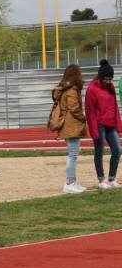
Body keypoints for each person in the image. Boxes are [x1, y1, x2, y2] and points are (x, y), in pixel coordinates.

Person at [84, 59, 122, 189]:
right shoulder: (92, 89)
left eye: (110, 79)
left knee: (117, 150)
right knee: (99, 152)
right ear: (100, 77)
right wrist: (94, 130)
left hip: (111, 124)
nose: (108, 81)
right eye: (106, 79)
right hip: (99, 125)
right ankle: (101, 180)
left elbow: (115, 107)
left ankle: (112, 178)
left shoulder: (111, 87)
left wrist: (118, 124)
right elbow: (89, 112)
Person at [52, 65, 87, 194]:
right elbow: (74, 108)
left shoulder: (66, 88)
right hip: (71, 124)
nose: (81, 75)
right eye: (80, 73)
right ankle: (70, 183)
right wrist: (83, 118)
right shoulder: (72, 90)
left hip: (68, 124)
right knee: (73, 155)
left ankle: (72, 181)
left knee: (73, 154)